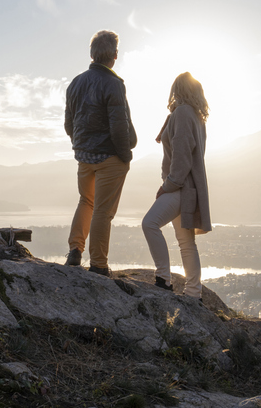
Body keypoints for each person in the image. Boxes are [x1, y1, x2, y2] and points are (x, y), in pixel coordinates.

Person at [63, 30, 137, 276]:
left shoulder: (75, 82)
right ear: (115, 55)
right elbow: (119, 126)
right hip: (109, 157)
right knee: (103, 211)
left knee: (86, 201)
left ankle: (75, 250)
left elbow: (68, 124)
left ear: (92, 54)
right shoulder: (114, 84)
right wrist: (125, 156)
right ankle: (98, 265)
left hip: (84, 157)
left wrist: (81, 145)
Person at [142, 71, 212, 298]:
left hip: (180, 187)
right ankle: (194, 293)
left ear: (177, 90)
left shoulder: (182, 113)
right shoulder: (196, 117)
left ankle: (163, 278)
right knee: (186, 242)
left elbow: (181, 157)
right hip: (191, 189)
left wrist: (168, 185)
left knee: (150, 224)